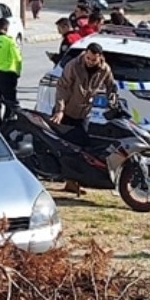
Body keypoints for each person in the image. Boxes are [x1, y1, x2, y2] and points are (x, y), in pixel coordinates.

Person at [51, 42, 118, 194]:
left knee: (82, 148)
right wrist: (60, 110)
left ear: (100, 58)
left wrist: (113, 98)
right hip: (66, 112)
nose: (89, 61)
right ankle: (69, 181)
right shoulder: (74, 66)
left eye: (93, 59)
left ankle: (76, 182)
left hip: (84, 113)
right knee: (66, 147)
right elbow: (62, 87)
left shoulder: (104, 69)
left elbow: (111, 86)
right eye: (88, 58)